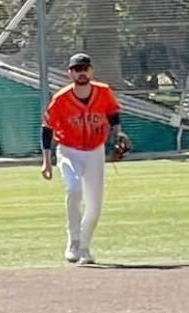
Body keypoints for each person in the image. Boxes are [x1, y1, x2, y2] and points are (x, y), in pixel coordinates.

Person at [40, 53, 127, 263]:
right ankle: (74, 241)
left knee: (95, 206)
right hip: (69, 151)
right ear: (69, 73)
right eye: (77, 69)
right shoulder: (61, 99)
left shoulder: (103, 92)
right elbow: (47, 128)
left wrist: (118, 135)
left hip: (95, 152)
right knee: (73, 188)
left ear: (91, 71)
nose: (81, 72)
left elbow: (113, 114)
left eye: (85, 68)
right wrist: (46, 160)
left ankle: (85, 248)